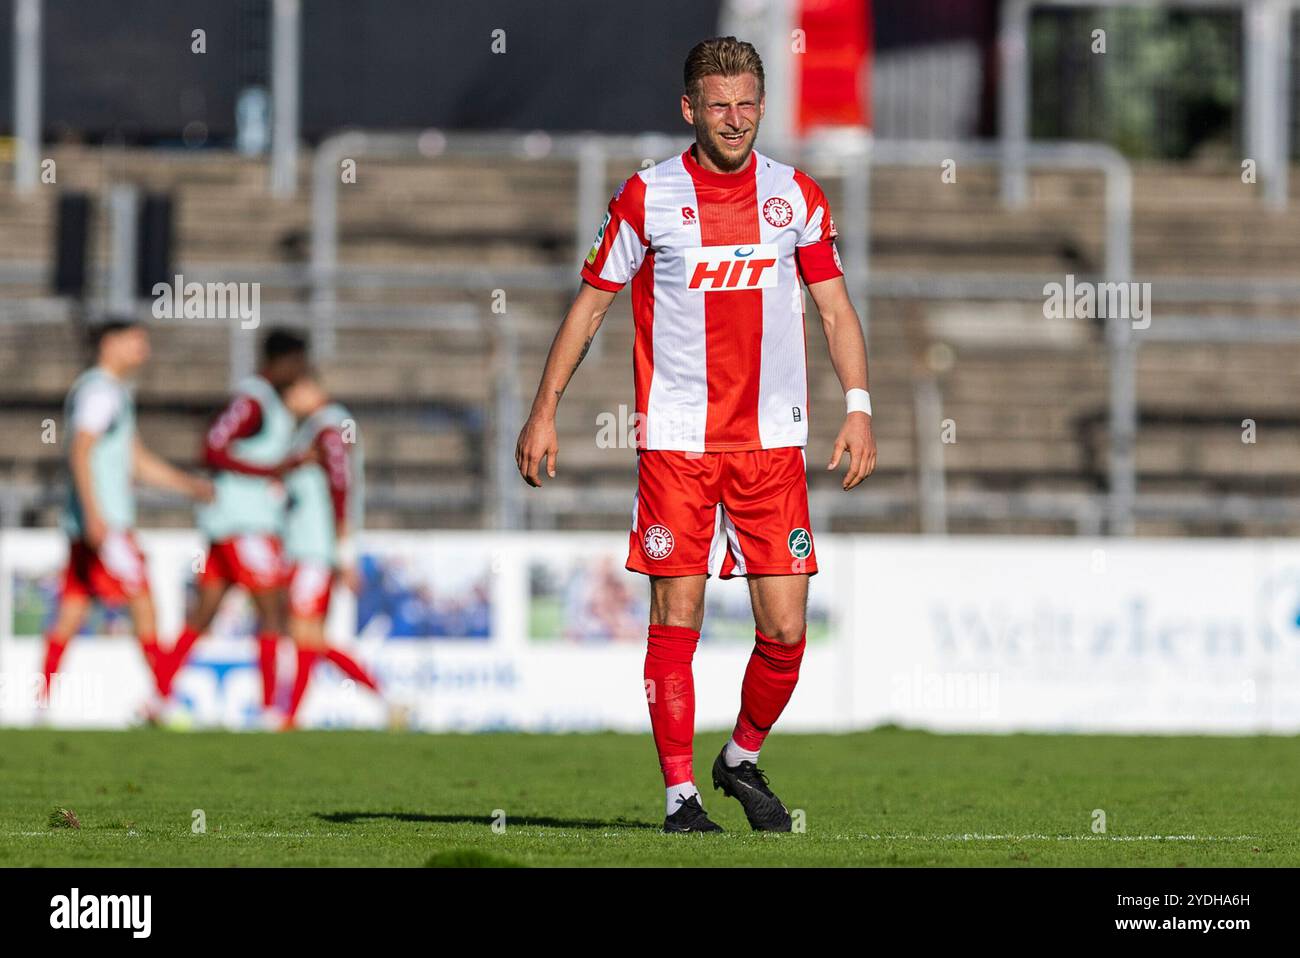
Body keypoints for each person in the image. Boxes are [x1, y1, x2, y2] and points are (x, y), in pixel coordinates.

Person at [514, 37, 877, 833]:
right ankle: (681, 797)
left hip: (771, 446)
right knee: (675, 617)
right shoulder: (647, 197)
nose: (736, 120)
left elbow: (835, 308)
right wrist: (544, 410)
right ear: (690, 109)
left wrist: (859, 405)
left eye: (748, 104)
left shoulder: (796, 197)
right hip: (677, 444)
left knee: (785, 630)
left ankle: (740, 758)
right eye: (719, 106)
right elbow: (590, 306)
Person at [42, 319, 212, 715]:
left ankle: (40, 703)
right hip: (105, 523)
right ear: (109, 344)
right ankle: (163, 698)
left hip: (90, 522)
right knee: (144, 602)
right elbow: (81, 451)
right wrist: (95, 514)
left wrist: (190, 486)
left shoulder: (108, 391)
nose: (144, 351)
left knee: (72, 610)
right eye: (136, 342)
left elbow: (135, 461)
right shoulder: (100, 391)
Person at [155, 328, 310, 725]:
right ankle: (271, 709)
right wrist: (269, 470)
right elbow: (213, 446)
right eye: (297, 362)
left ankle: (158, 696)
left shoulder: (269, 403)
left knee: (203, 616)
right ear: (281, 362)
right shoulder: (253, 400)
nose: (301, 371)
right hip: (246, 524)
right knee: (273, 612)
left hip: (235, 524)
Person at [278, 372, 380, 729]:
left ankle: (289, 716)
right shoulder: (320, 428)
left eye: (289, 393)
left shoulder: (328, 428)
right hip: (311, 548)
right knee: (311, 637)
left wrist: (344, 552)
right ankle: (383, 697)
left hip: (315, 550)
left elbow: (341, 486)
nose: (287, 403)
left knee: (304, 634)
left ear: (307, 387)